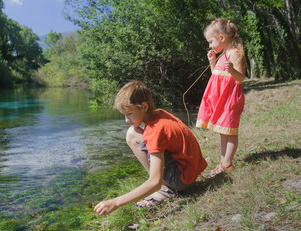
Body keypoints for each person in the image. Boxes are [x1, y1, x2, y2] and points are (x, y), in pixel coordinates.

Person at [94, 80, 207, 216]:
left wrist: (115, 202)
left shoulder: (154, 130)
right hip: (190, 170)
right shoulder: (160, 114)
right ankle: (165, 184)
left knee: (133, 136)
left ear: (144, 106)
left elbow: (155, 182)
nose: (126, 119)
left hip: (182, 180)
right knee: (132, 133)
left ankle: (166, 189)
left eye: (129, 113)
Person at [196, 19, 246, 177]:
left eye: (211, 41)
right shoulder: (223, 55)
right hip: (221, 100)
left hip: (230, 99)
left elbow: (240, 78)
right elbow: (216, 75)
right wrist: (212, 62)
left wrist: (232, 70)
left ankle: (227, 163)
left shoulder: (235, 54)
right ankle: (223, 162)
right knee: (223, 132)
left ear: (222, 38)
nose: (210, 45)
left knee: (230, 132)